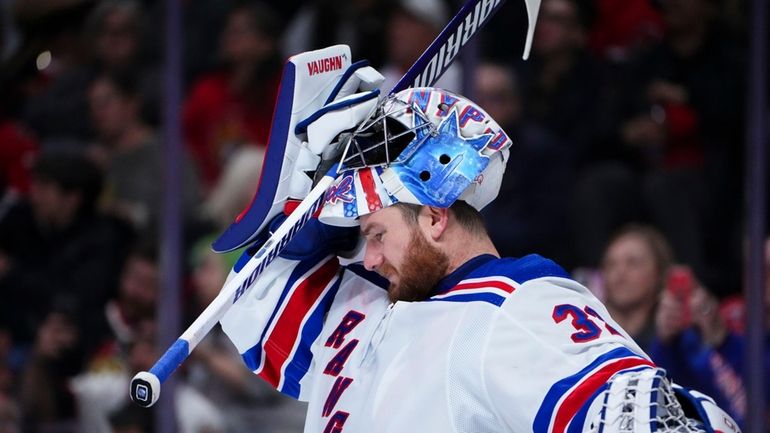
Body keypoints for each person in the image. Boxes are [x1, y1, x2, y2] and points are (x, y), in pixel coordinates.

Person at [208, 49, 738, 433]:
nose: (366, 256)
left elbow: (653, 420)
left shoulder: (513, 305)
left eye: (374, 234)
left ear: (435, 218)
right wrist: (310, 193)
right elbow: (254, 300)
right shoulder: (374, 305)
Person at [598, 224, 674, 351]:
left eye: (633, 263)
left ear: (659, 273)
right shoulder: (590, 338)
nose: (620, 272)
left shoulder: (676, 338)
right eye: (611, 264)